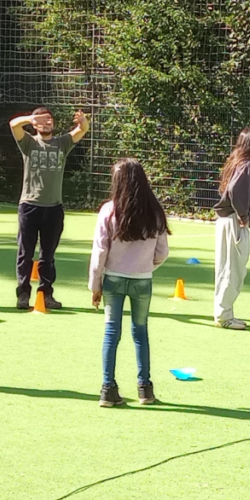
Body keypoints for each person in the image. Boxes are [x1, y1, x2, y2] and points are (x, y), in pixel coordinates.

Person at [89, 158, 170, 407]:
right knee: (140, 332)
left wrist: (95, 285)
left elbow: (100, 252)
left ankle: (107, 388)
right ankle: (145, 389)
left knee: (111, 332)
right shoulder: (155, 212)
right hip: (142, 280)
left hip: (113, 278)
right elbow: (162, 252)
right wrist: (145, 266)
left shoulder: (109, 210)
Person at [8, 106, 90, 310]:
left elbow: (82, 129)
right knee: (25, 253)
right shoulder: (29, 143)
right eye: (41, 120)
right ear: (35, 124)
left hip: (53, 208)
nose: (46, 123)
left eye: (49, 119)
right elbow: (14, 125)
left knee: (48, 256)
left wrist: (83, 121)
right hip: (29, 206)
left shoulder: (62, 143)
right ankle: (23, 294)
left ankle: (46, 294)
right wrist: (31, 118)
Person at [213, 128, 250, 330]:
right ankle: (224, 316)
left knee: (225, 267)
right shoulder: (246, 165)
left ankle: (224, 312)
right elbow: (235, 190)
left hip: (225, 219)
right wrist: (243, 215)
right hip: (234, 220)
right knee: (234, 269)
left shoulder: (234, 161)